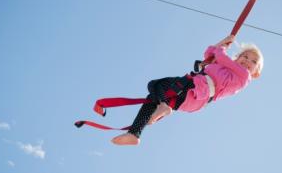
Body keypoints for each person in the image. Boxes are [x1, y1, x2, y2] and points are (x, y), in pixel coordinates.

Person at [111, 35, 263, 145]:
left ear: (256, 72)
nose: (248, 61)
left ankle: (164, 106)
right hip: (191, 90)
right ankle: (134, 133)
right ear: (237, 58)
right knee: (153, 93)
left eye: (254, 61)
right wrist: (222, 42)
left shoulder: (244, 77)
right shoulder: (223, 65)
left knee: (157, 86)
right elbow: (209, 54)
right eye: (245, 56)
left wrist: (221, 49)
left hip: (198, 92)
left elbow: (220, 55)